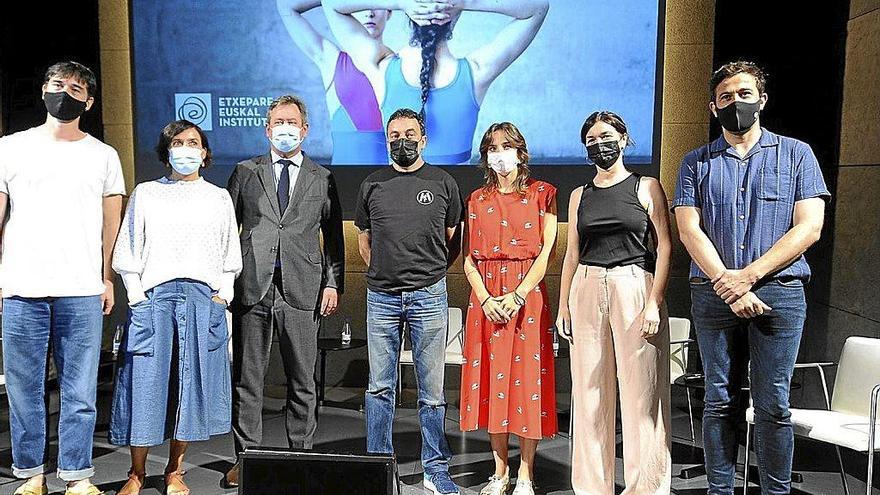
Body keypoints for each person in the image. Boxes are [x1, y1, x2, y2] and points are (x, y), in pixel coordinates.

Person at [673, 61, 830, 495]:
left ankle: (775, 492)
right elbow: (689, 229)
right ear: (712, 106)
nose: (735, 103)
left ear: (761, 99)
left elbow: (810, 226)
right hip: (712, 294)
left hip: (780, 293)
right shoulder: (695, 163)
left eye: (744, 94)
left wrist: (750, 276)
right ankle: (720, 490)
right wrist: (727, 282)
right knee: (719, 402)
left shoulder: (797, 154)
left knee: (774, 406)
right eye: (725, 97)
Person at [0, 61, 125, 495]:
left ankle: (76, 475)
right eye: (58, 84)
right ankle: (30, 473)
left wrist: (107, 278)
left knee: (80, 391)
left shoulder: (103, 155)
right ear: (43, 90)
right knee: (23, 390)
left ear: (87, 102)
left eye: (75, 88)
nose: (64, 93)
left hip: (81, 290)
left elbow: (113, 224)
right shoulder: (10, 148)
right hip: (21, 289)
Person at [109, 119, 242, 495]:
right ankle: (136, 473)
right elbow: (127, 250)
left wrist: (223, 296)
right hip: (155, 299)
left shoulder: (218, 197)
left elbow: (229, 253)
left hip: (203, 299)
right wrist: (136, 297)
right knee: (147, 387)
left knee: (190, 388)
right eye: (178, 142)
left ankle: (174, 471)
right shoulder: (147, 193)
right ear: (167, 151)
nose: (186, 148)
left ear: (204, 152)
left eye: (193, 142)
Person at [223, 94, 345, 487]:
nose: (285, 128)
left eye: (292, 122)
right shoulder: (245, 171)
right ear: (267, 128)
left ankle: (300, 456)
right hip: (252, 289)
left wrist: (332, 282)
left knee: (302, 380)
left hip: (303, 289)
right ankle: (247, 458)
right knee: (247, 380)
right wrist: (224, 283)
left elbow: (333, 237)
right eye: (278, 122)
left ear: (305, 129)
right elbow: (226, 233)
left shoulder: (322, 177)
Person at [556, 111, 672, 494]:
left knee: (642, 394)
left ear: (623, 139)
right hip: (587, 285)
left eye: (605, 136)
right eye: (590, 140)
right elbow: (572, 253)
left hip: (634, 284)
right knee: (589, 396)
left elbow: (665, 246)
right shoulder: (579, 196)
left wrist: (655, 301)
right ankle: (592, 487)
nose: (598, 144)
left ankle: (647, 487)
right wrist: (563, 307)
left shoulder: (646, 187)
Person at [355, 108, 463, 494]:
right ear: (386, 140)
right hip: (381, 297)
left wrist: (426, 274)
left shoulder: (443, 182)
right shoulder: (372, 184)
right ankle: (379, 469)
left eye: (410, 133)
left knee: (432, 392)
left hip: (429, 296)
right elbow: (365, 242)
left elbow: (453, 239)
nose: (402, 140)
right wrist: (387, 272)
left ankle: (436, 469)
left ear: (424, 138)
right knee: (379, 388)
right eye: (395, 134)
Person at [324, 0, 549, 164]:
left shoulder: (383, 68)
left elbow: (331, 5)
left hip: (399, 201)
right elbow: (537, 8)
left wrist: (402, 3)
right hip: (455, 205)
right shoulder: (476, 72)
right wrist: (462, 3)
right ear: (452, 19)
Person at [459, 122, 558, 495]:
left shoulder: (543, 193)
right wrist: (486, 298)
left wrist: (516, 296)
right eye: (492, 147)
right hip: (484, 298)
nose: (499, 153)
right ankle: (499, 472)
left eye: (506, 146)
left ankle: (526, 475)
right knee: (492, 382)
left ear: (521, 151)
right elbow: (468, 259)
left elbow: (546, 252)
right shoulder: (475, 199)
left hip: (526, 297)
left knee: (526, 383)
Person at [276, 0, 389, 164]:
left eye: (376, 4)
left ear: (389, 11)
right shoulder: (333, 61)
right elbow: (286, 6)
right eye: (362, 4)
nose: (369, 12)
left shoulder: (402, 66)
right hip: (345, 182)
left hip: (391, 184)